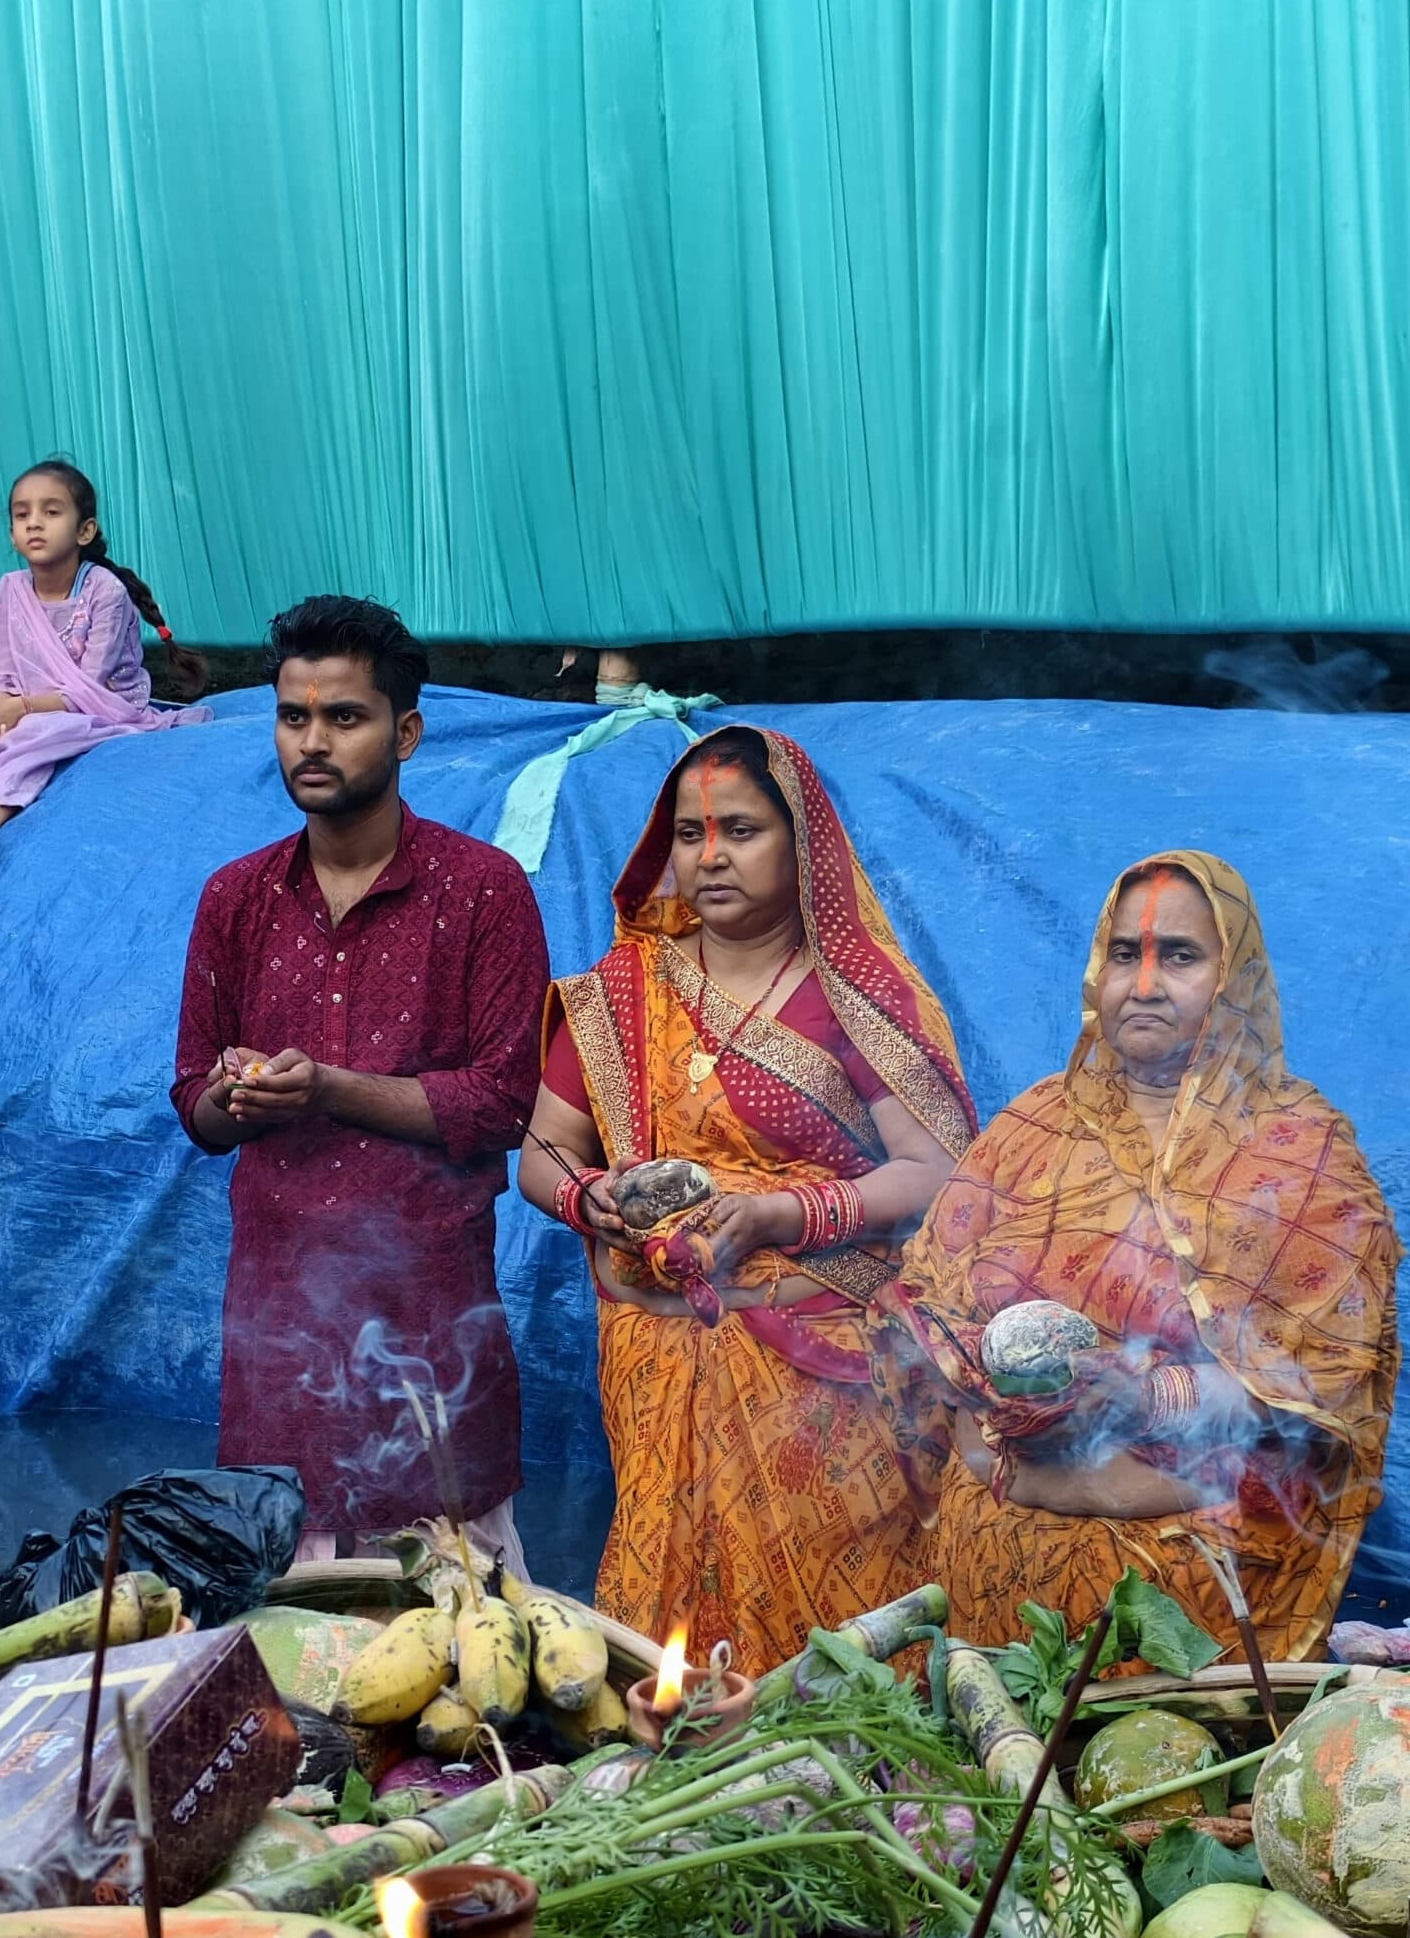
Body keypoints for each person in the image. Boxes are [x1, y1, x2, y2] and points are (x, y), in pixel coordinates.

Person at [519, 726, 977, 1671]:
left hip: (828, 1388)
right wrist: (589, 1198)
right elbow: (543, 1151)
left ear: (800, 843)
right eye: (689, 834)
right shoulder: (625, 990)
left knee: (835, 1653)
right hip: (660, 1358)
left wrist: (781, 1215)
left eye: (740, 829)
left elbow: (936, 1173)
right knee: (671, 1637)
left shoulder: (855, 994)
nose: (711, 856)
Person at [875, 852, 1399, 1659]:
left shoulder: (1302, 1152)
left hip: (1197, 1578)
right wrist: (1002, 1434)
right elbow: (926, 1314)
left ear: (1236, 977)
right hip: (1002, 1554)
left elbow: (1323, 1388)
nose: (1144, 983)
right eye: (1126, 953)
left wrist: (1146, 1398)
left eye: (1179, 956)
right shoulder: (1031, 1128)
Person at [172, 595, 548, 1562]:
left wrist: (328, 1087)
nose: (313, 741)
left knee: (460, 1646)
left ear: (406, 732)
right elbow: (195, 1109)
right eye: (294, 716)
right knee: (293, 1640)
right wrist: (234, 1094)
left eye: (346, 716)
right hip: (279, 1324)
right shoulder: (235, 897)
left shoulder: (484, 890)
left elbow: (504, 1101)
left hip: (430, 1324)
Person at [0, 457, 209, 895]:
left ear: (85, 531)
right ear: (13, 533)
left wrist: (18, 710)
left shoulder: (104, 592)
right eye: (22, 515)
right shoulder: (11, 588)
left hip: (101, 706)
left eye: (51, 512)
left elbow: (89, 687)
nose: (34, 523)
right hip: (26, 703)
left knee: (28, 738)